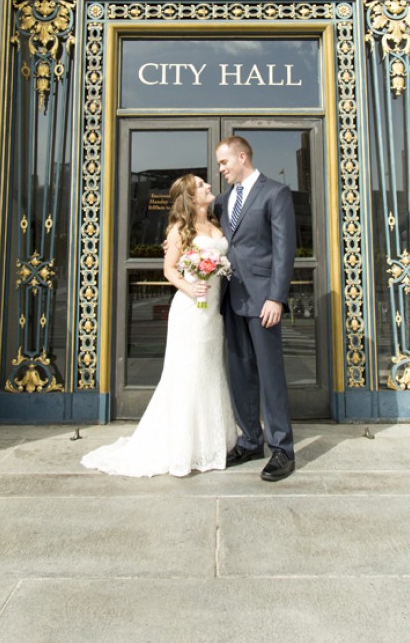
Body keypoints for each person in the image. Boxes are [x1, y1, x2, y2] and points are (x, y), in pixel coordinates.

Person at [81, 174, 237, 477]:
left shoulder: (218, 223)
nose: (208, 187)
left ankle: (211, 442)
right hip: (191, 309)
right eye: (202, 186)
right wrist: (189, 288)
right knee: (187, 373)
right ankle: (182, 446)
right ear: (191, 197)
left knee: (209, 370)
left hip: (212, 312)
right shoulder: (180, 229)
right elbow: (168, 269)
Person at [214, 136, 296, 482]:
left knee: (270, 375)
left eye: (224, 163)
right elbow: (193, 214)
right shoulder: (223, 200)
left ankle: (282, 449)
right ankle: (249, 441)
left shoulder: (275, 194)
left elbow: (284, 249)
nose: (221, 170)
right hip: (232, 298)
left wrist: (276, 297)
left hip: (264, 300)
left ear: (242, 156)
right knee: (240, 373)